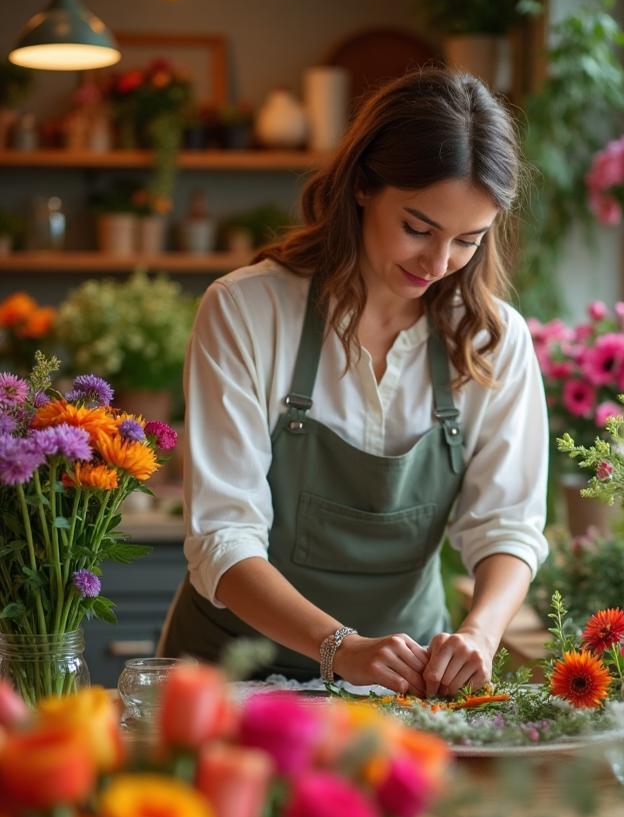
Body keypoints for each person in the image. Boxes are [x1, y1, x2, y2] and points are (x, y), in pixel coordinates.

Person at [159, 67, 548, 696]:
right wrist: (340, 647)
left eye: (467, 240)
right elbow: (221, 536)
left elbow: (507, 525)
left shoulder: (491, 340)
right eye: (418, 228)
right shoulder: (246, 310)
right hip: (232, 677)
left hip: (402, 687)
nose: (438, 263)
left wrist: (480, 633)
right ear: (363, 184)